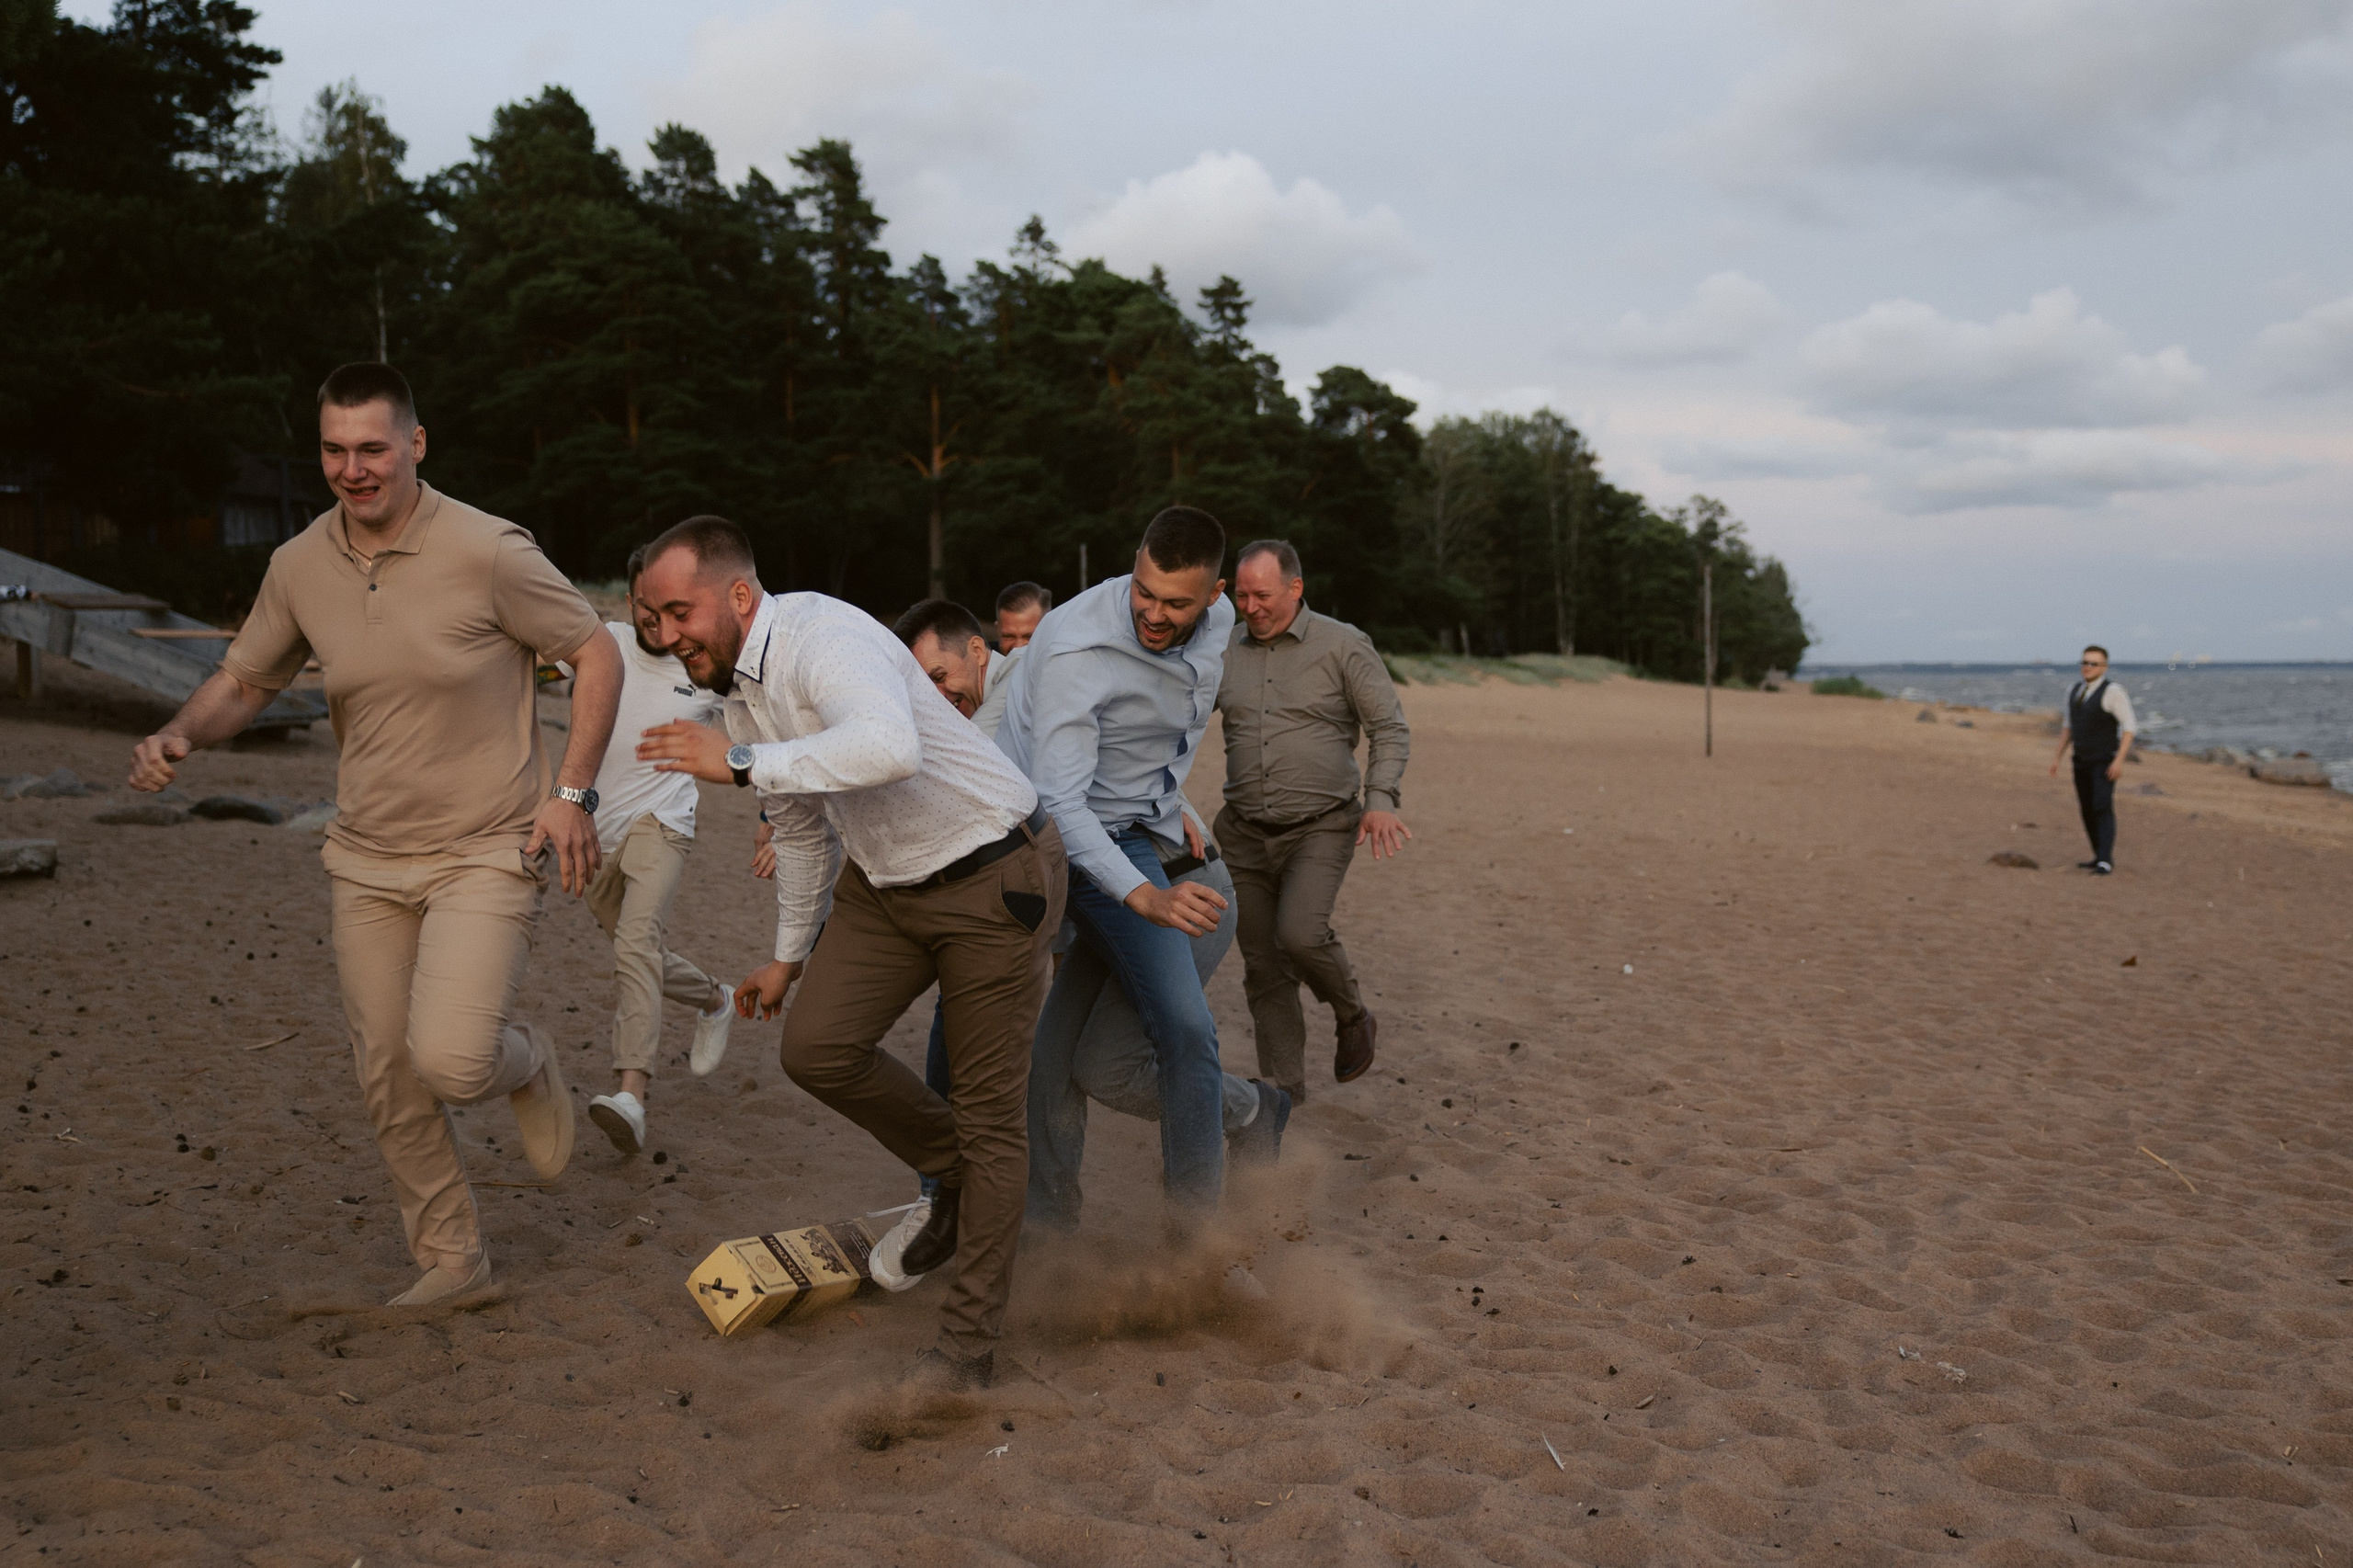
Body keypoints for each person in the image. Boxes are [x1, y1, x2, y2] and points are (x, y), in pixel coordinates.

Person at [126, 362, 622, 1308]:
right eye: (333, 450)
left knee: (451, 1056)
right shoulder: (299, 564)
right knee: (388, 1067)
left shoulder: (488, 549)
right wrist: (180, 729)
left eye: (372, 448)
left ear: (415, 444)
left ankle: (528, 1058)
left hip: (487, 843)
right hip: (365, 855)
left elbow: (593, 650)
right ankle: (453, 1257)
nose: (353, 469)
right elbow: (246, 681)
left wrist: (572, 791)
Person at [631, 517, 1062, 1391]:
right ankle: (953, 1176)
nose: (667, 636)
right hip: (887, 884)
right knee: (816, 1048)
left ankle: (970, 1348)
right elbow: (796, 822)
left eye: (680, 613)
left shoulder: (824, 638)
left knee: (990, 1119)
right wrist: (788, 957)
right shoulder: (737, 684)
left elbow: (887, 747)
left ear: (740, 597)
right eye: (652, 620)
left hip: (993, 872)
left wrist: (742, 761)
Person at [881, 599, 1282, 1260]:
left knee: (1116, 1063)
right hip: (1102, 909)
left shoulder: (1022, 697)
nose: (932, 697)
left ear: (979, 653)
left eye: (937, 676)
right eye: (915, 686)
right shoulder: (963, 722)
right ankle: (1048, 1227)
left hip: (1181, 893)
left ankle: (1247, 1118)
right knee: (1048, 1062)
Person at [995, 506, 1237, 1223]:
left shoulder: (1222, 623)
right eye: (1145, 593)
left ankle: (1194, 1241)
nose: (1154, 615)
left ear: (1214, 595)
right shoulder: (1079, 649)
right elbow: (1060, 805)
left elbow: (1171, 725)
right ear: (1133, 563)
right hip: (1044, 844)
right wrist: (1144, 896)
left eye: (1176, 603)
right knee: (1042, 1057)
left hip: (1139, 829)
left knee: (1185, 1031)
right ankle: (1047, 1238)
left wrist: (1173, 797)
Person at [1215, 540, 1411, 1104]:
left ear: (1296, 589)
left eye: (1263, 595)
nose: (1250, 607)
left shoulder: (1344, 645)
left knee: (1299, 934)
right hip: (1243, 832)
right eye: (1242, 595)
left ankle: (1351, 1014)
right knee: (1263, 968)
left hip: (1321, 826)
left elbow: (1390, 728)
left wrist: (1381, 798)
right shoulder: (1222, 650)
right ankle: (1284, 1097)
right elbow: (1174, 720)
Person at [575, 548, 739, 1156]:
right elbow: (529, 671)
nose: (655, 617)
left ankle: (631, 1094)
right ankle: (714, 997)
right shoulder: (602, 644)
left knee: (637, 945)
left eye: (669, 606)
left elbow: (758, 732)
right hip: (596, 833)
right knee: (633, 948)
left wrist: (772, 818)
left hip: (663, 823)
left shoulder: (703, 664)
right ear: (630, 601)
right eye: (645, 603)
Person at [2049, 644, 2136, 875]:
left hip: (2103, 759)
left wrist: (2119, 761)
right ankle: (2098, 855)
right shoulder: (2074, 690)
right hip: (2081, 759)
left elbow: (2129, 728)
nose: (2087, 667)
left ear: (2104, 667)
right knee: (2086, 808)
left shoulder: (2113, 691)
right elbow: (2068, 727)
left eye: (2093, 663)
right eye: (2085, 662)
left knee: (2102, 806)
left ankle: (2106, 860)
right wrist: (2057, 757)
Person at [994, 582, 1051, 652]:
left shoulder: (1064, 660)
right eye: (1008, 636)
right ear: (998, 630)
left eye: (1029, 637)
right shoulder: (982, 660)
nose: (1018, 647)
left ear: (1049, 631)